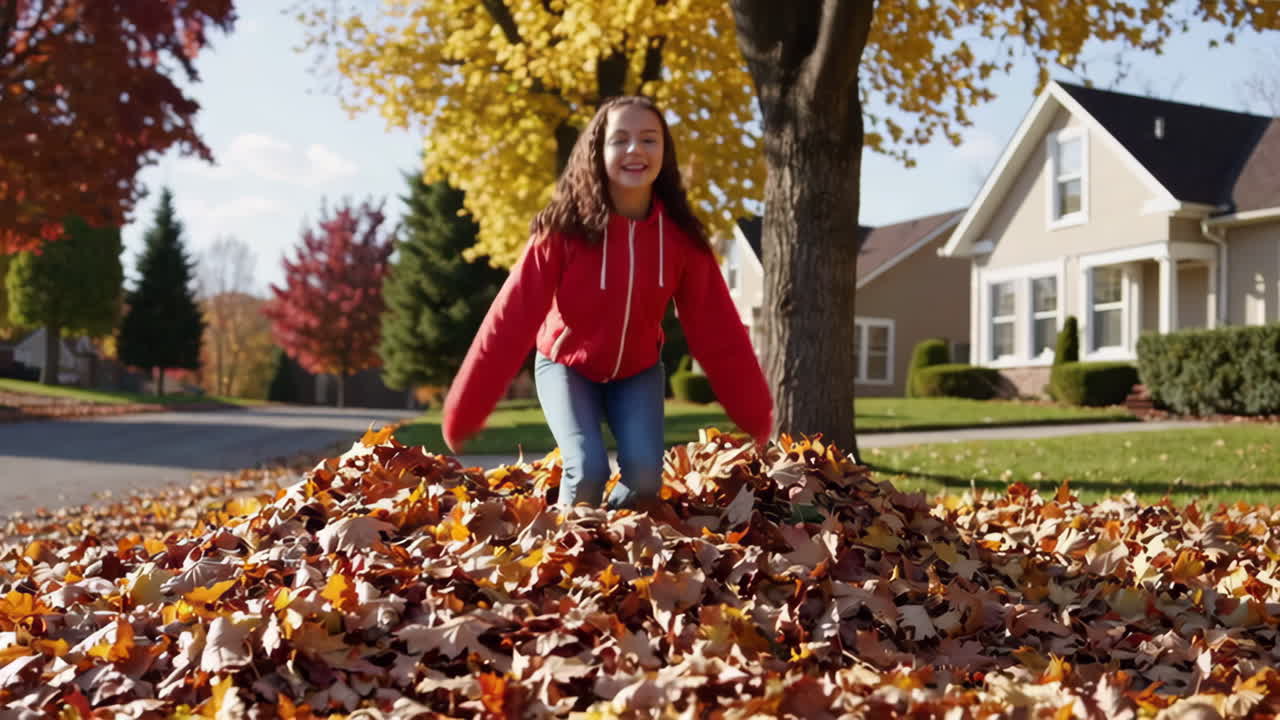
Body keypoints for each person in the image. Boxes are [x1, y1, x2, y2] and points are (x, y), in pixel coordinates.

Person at [442, 95, 772, 511]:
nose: (635, 150)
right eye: (620, 140)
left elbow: (717, 326)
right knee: (587, 469)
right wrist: (466, 407)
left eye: (649, 139)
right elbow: (511, 316)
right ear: (598, 152)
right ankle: (561, 560)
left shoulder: (681, 240)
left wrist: (755, 411)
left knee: (645, 479)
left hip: (636, 373)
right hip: (566, 367)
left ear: (664, 153)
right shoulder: (563, 228)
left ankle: (606, 554)